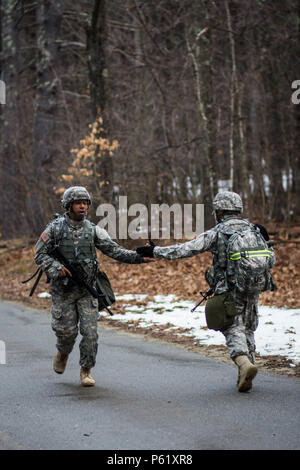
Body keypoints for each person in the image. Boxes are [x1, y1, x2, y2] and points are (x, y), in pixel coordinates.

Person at [136, 191, 275, 392]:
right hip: (254, 285)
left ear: (219, 210)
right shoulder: (256, 230)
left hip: (228, 288)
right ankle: (246, 371)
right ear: (238, 208)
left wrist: (155, 251)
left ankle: (244, 364)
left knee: (231, 326)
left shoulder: (216, 233)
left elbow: (185, 249)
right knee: (248, 326)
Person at [35, 186, 152, 387]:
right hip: (63, 292)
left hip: (87, 290)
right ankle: (62, 353)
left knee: (90, 334)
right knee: (66, 333)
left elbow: (116, 251)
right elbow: (39, 254)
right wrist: (56, 267)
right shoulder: (55, 229)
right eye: (78, 203)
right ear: (68, 205)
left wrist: (140, 257)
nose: (82, 206)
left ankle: (86, 370)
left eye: (85, 203)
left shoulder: (94, 230)